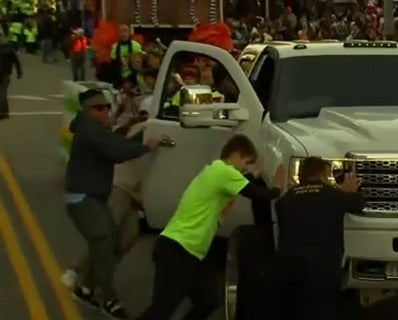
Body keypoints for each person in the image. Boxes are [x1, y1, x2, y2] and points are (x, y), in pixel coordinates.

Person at [136, 134, 286, 320]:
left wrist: (253, 175)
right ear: (236, 155)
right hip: (178, 249)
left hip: (191, 252)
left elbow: (242, 183)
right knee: (162, 309)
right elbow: (260, 195)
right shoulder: (224, 172)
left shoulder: (216, 171)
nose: (245, 168)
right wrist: (278, 187)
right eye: (246, 162)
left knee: (209, 300)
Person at [64, 88, 162, 319]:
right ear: (87, 112)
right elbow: (116, 151)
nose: (105, 111)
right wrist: (147, 146)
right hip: (83, 199)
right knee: (104, 243)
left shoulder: (98, 130)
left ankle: (85, 286)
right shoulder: (90, 131)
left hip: (95, 198)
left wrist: (142, 137)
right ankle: (109, 300)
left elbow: (119, 142)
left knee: (121, 240)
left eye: (106, 107)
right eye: (98, 108)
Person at [61, 119, 150, 291]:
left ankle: (91, 280)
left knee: (127, 238)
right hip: (122, 186)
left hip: (137, 197)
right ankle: (77, 271)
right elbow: (120, 144)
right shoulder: (145, 128)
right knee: (106, 235)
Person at [274, 157, 365, 320]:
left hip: (290, 266)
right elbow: (358, 204)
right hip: (324, 268)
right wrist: (349, 191)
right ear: (323, 175)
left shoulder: (284, 200)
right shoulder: (334, 196)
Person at [0, 24, 22, 120]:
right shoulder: (9, 48)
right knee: (3, 92)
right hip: (6, 72)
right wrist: (19, 71)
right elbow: (16, 60)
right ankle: (4, 112)